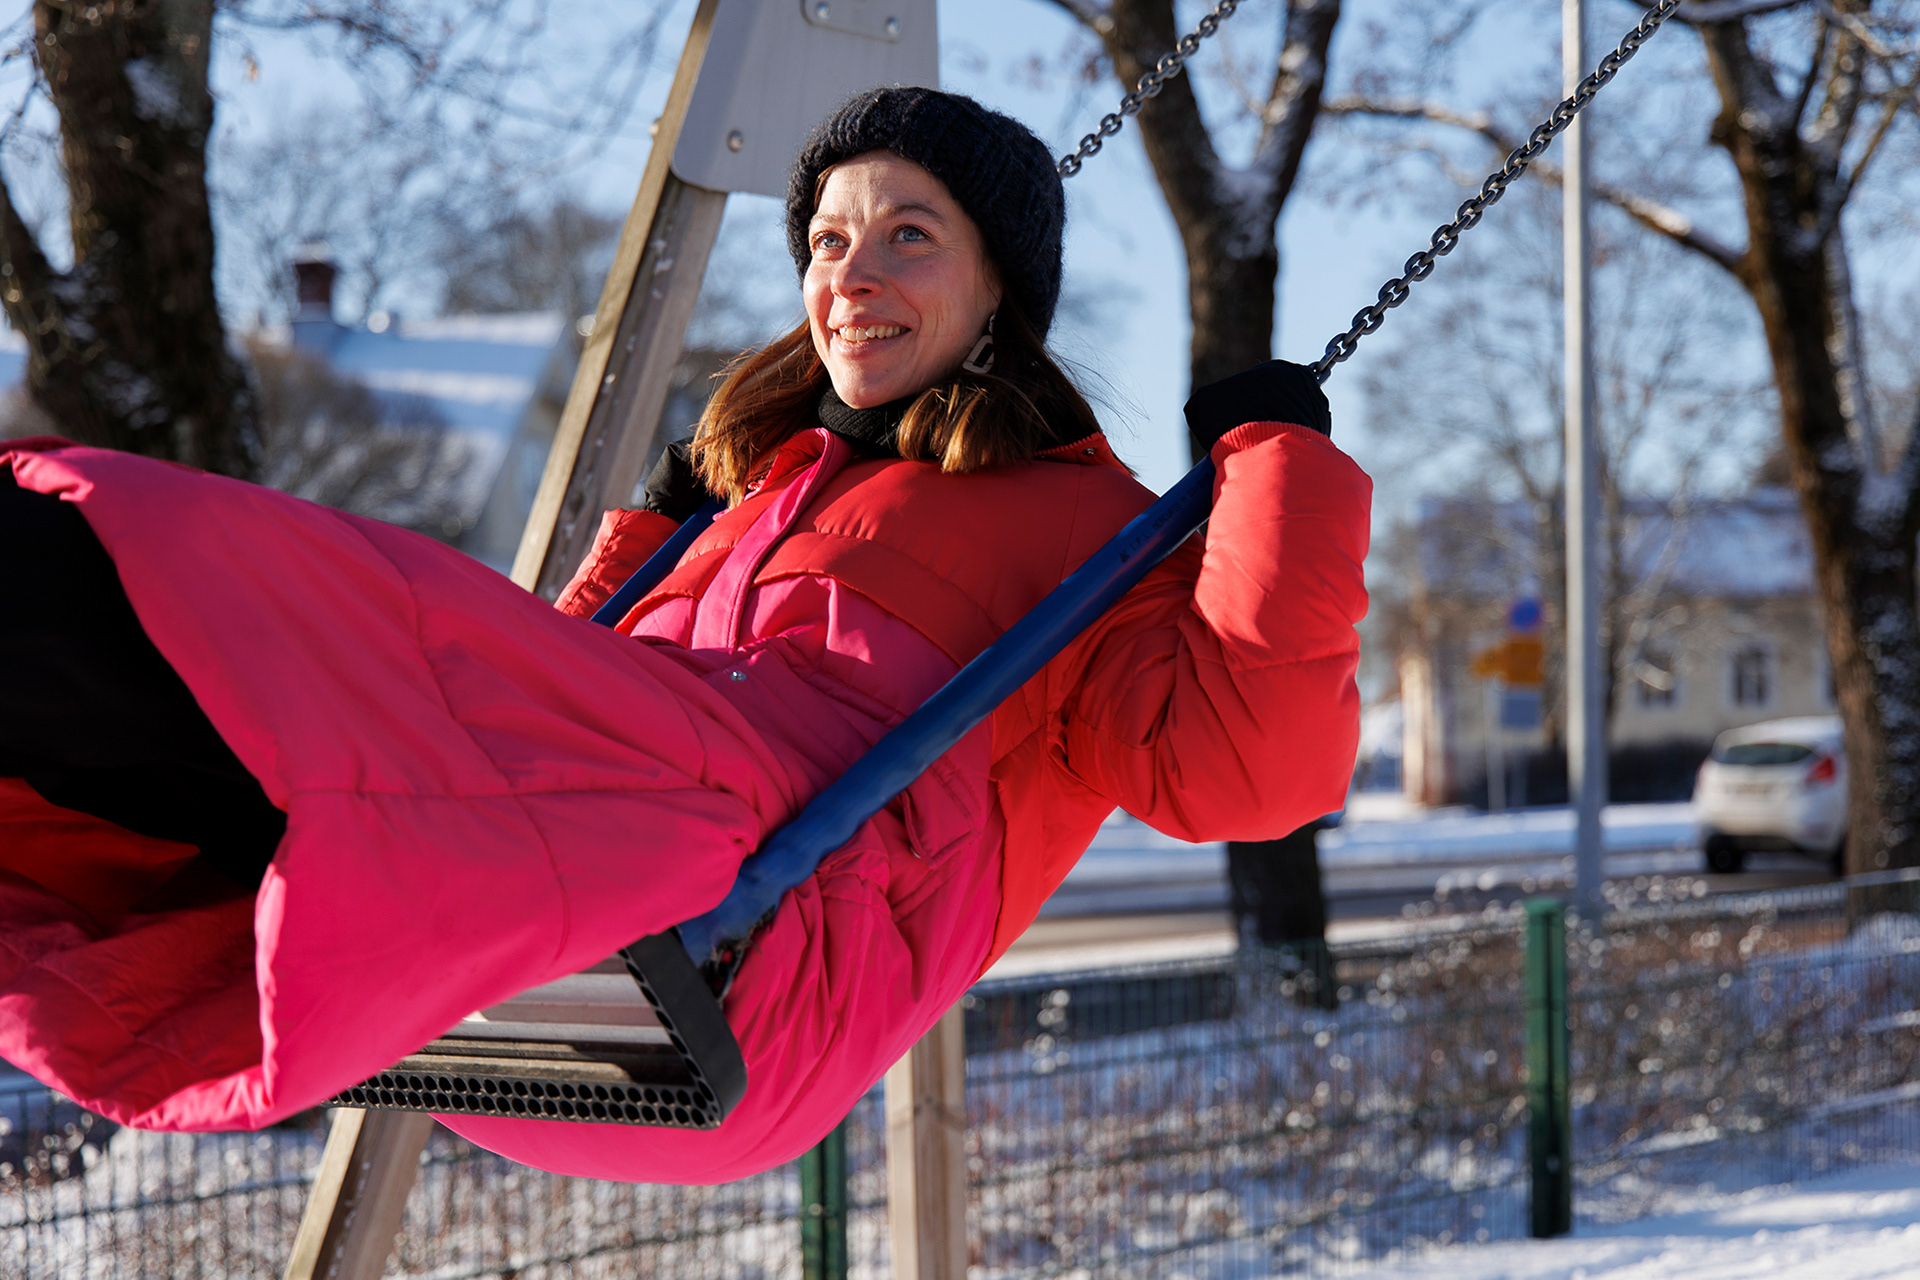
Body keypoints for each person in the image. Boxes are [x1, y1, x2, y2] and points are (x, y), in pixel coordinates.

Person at [0, 87, 1370, 1184]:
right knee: (252, 694)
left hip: (762, 951)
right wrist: (648, 548)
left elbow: (1249, 775)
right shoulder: (746, 493)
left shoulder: (1085, 530)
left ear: (998, 283)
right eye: (828, 239)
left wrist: (1278, 475)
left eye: (909, 233)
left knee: (291, 609)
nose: (850, 273)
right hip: (612, 883)